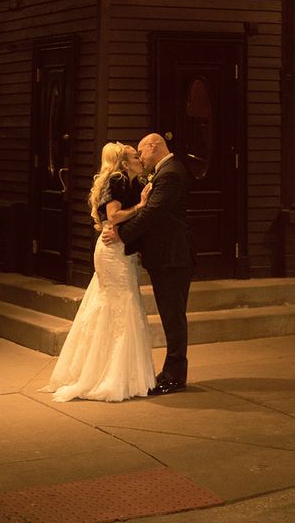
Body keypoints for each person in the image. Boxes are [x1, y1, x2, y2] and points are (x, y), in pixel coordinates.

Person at [42, 141, 156, 402]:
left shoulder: (132, 182)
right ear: (124, 163)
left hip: (121, 249)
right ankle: (109, 374)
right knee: (121, 303)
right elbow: (113, 216)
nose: (140, 160)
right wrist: (141, 206)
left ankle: (121, 372)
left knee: (120, 303)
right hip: (112, 252)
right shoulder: (117, 180)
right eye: (134, 157)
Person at [102, 133, 195, 395]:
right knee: (170, 315)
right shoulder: (164, 171)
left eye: (141, 152)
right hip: (165, 256)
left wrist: (121, 234)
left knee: (173, 317)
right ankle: (172, 371)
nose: (141, 158)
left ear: (153, 147)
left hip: (172, 257)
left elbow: (153, 213)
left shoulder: (170, 173)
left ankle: (174, 376)